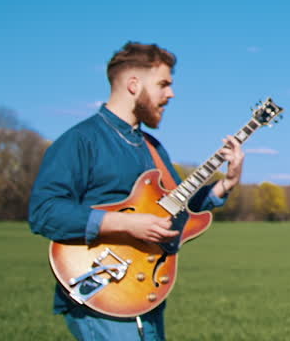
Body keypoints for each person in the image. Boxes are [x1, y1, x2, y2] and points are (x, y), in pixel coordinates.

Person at [29, 42, 245, 341]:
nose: (171, 94)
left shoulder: (152, 147)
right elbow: (44, 212)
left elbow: (173, 206)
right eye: (163, 84)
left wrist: (225, 184)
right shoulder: (81, 140)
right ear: (133, 84)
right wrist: (127, 223)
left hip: (146, 289)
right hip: (99, 287)